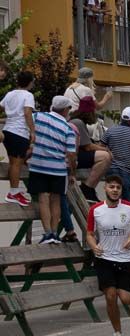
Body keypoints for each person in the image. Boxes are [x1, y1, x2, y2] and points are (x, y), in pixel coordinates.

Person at [86, 174, 130, 336]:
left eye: (118, 187)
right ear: (105, 188)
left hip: (125, 258)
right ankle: (117, 332)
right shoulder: (95, 210)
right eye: (112, 187)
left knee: (124, 298)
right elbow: (89, 234)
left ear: (121, 190)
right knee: (110, 296)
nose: (115, 190)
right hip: (105, 258)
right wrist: (94, 246)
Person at [28, 96, 78, 246]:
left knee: (43, 199)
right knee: (56, 200)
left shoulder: (38, 116)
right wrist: (73, 173)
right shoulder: (68, 128)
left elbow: (25, 122)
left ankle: (47, 233)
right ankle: (55, 233)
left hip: (38, 166)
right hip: (58, 170)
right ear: (65, 110)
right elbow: (71, 154)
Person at [69, 96, 113, 204]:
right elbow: (87, 146)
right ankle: (88, 188)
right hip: (74, 155)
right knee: (105, 157)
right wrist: (105, 149)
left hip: (74, 154)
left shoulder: (75, 120)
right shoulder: (78, 123)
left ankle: (89, 188)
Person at [2, 70, 36, 207]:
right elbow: (27, 112)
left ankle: (14, 190)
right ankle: (13, 192)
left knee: (12, 162)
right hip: (19, 132)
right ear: (30, 82)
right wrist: (33, 131)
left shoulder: (10, 94)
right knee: (17, 163)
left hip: (7, 130)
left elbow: (2, 106)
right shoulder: (28, 95)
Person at [100, 106, 130, 202]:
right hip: (128, 173)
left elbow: (101, 147)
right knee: (124, 203)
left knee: (111, 201)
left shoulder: (110, 131)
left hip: (111, 169)